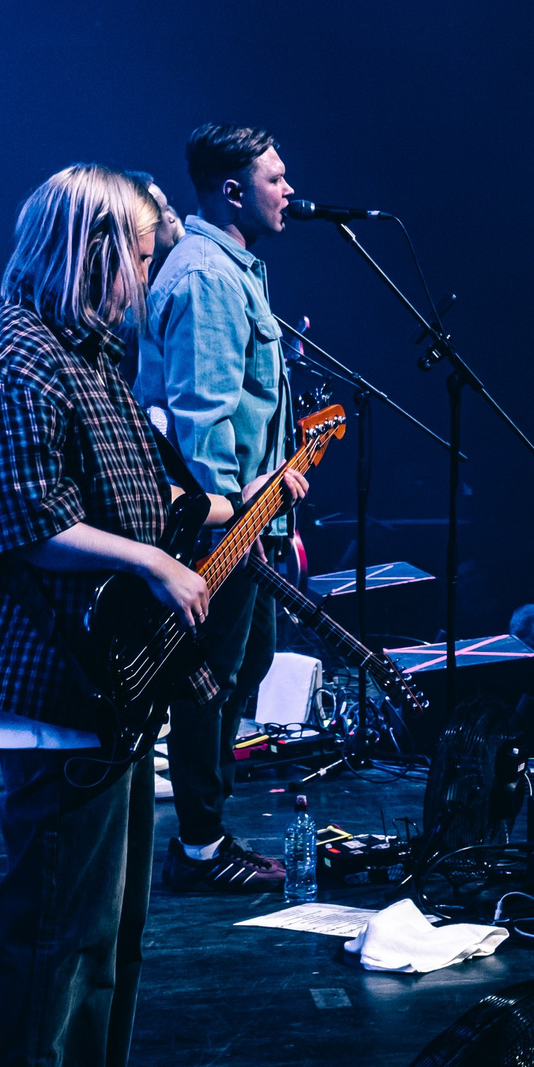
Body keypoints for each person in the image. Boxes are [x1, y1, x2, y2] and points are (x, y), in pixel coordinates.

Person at [0, 167, 222, 1067]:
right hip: (45, 679)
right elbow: (25, 523)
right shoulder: (12, 357)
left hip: (99, 683)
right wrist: (150, 561)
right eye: (141, 251)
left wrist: (201, 506)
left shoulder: (82, 354)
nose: (150, 270)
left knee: (110, 924)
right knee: (56, 932)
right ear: (95, 249)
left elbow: (121, 486)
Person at [132, 123, 308, 891]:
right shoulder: (205, 276)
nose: (290, 190)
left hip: (248, 510)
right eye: (276, 178)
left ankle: (207, 828)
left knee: (249, 662)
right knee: (210, 673)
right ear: (233, 189)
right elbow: (202, 418)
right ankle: (201, 847)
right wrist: (233, 522)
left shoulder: (234, 267)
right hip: (222, 520)